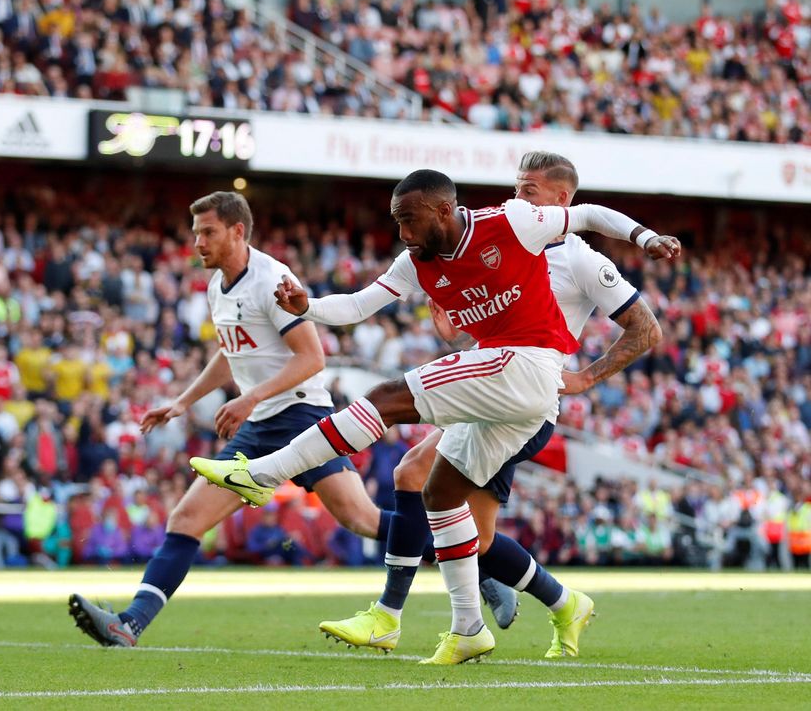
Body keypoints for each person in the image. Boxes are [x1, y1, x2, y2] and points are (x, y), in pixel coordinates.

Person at [191, 170, 680, 664]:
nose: (403, 233)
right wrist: (309, 307)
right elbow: (361, 305)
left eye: (410, 220)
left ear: (443, 210)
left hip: (526, 364)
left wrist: (646, 238)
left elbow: (592, 217)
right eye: (397, 222)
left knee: (386, 397)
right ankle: (469, 626)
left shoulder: (512, 223)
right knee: (438, 492)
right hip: (509, 386)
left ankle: (262, 474)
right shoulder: (416, 261)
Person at [320, 152, 665, 659]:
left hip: (522, 400)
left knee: (454, 519)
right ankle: (538, 602)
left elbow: (647, 329)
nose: (517, 198)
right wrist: (452, 325)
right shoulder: (498, 236)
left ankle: (524, 601)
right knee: (418, 481)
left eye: (529, 191)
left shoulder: (580, 260)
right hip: (487, 381)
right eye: (516, 187)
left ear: (562, 201)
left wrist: (587, 378)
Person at [69, 191, 386, 647]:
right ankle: (129, 624)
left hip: (301, 416)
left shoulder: (273, 280)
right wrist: (183, 400)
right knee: (186, 519)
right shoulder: (218, 285)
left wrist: (248, 398)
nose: (198, 242)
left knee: (363, 519)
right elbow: (230, 351)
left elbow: (312, 358)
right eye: (196, 232)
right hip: (259, 426)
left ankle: (475, 563)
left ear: (238, 232)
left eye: (208, 232)